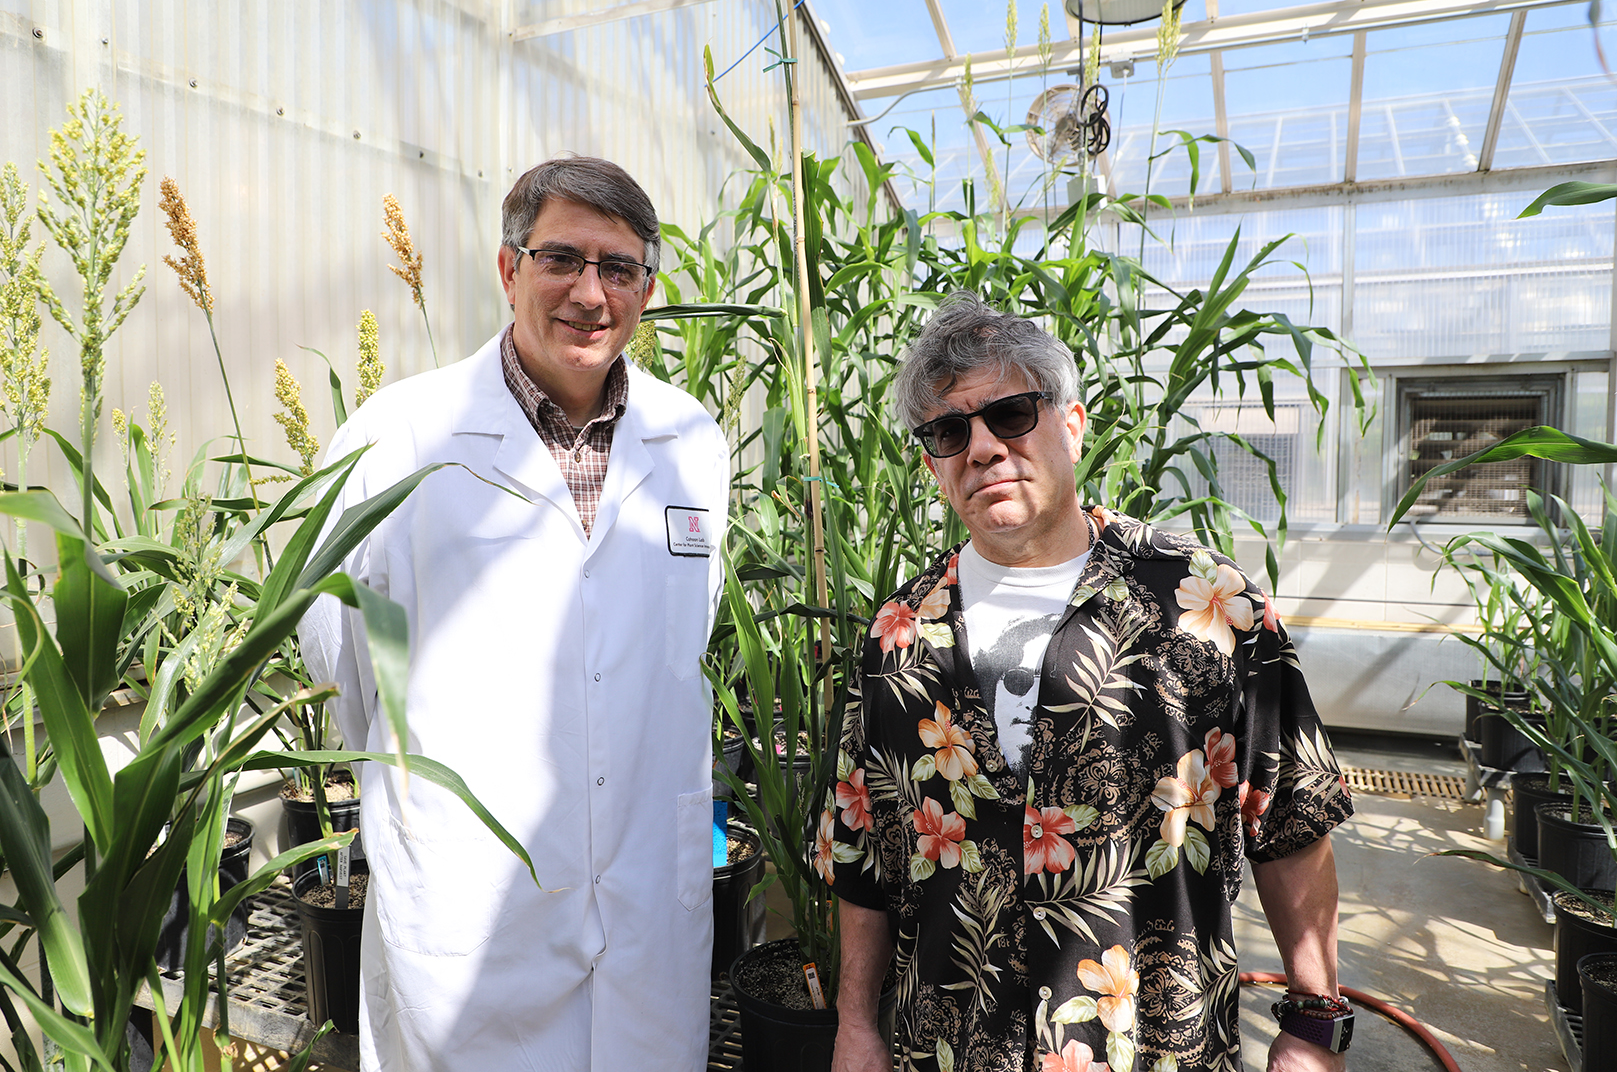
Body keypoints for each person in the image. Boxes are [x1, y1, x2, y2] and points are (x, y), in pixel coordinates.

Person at [826, 291, 1354, 1072]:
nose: (980, 448)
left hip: (1151, 1048)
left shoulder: (1201, 603)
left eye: (1009, 414)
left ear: (1070, 426)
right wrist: (854, 1024)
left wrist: (1313, 1025)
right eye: (947, 431)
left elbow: (1290, 821)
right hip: (944, 1047)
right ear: (932, 462)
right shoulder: (901, 633)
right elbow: (860, 851)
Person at [299, 156, 729, 1071]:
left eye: (618, 268)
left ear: (647, 286)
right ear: (507, 269)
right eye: (560, 258)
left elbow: (680, 643)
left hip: (648, 892)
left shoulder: (691, 439)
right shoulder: (396, 438)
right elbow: (338, 659)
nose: (590, 292)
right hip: (468, 902)